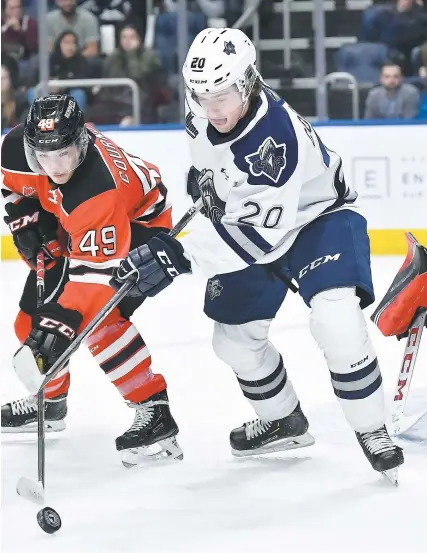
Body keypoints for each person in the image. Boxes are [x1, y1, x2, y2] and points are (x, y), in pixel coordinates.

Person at [111, 28, 404, 479]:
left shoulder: (273, 138)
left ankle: (372, 428)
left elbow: (256, 240)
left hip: (316, 220)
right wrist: (206, 181)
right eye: (203, 96)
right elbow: (212, 162)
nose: (212, 109)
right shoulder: (203, 104)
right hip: (253, 221)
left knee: (337, 320)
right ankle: (283, 419)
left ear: (247, 82)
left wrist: (177, 257)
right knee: (232, 341)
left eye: (223, 95)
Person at [0, 94, 183, 467]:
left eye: (64, 154)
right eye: (44, 157)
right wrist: (23, 218)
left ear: (81, 141)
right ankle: (50, 404)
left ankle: (155, 411)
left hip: (136, 230)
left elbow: (93, 283)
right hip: (75, 225)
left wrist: (61, 326)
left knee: (98, 324)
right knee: (29, 323)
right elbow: (11, 185)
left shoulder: (98, 190)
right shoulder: (16, 148)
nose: (54, 166)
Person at [1, 63, 29, 131]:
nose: (1, 82)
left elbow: (25, 121)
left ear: (9, 80)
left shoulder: (19, 98)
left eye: (4, 78)